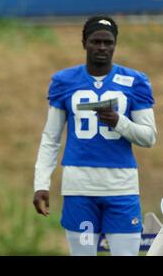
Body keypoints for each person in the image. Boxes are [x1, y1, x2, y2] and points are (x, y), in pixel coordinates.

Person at [33, 16, 157, 256]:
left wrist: (119, 121)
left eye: (108, 42)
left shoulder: (134, 82)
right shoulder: (65, 81)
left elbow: (149, 137)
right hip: (79, 187)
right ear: (84, 43)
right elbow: (51, 138)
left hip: (122, 187)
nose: (102, 47)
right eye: (96, 41)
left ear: (115, 45)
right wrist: (41, 183)